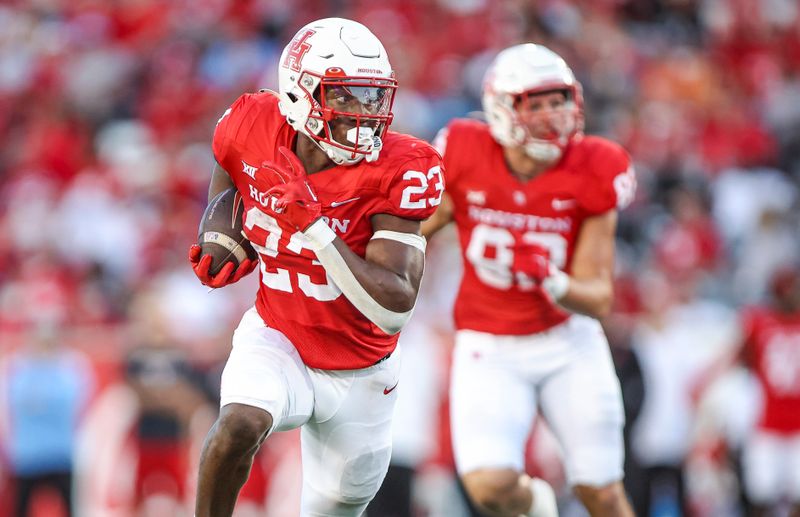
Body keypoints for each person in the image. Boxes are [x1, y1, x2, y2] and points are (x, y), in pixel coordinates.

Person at [188, 18, 444, 517]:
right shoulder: (250, 123)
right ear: (298, 92)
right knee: (238, 424)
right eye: (344, 97)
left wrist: (316, 229)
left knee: (337, 507)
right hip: (277, 335)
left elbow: (393, 309)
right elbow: (229, 172)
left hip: (361, 368)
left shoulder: (402, 168)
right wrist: (219, 233)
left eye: (371, 98)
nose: (362, 115)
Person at [422, 43, 637, 517]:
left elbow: (598, 298)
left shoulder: (596, 165)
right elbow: (415, 232)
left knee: (600, 491)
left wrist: (552, 280)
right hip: (489, 343)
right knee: (489, 488)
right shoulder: (463, 150)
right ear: (501, 109)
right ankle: (539, 506)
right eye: (535, 104)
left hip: (567, 341)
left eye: (557, 101)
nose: (551, 115)